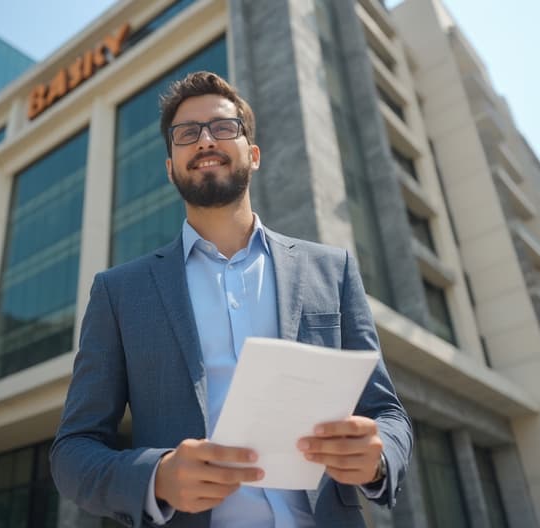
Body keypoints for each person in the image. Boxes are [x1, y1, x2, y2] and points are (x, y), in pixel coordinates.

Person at [51, 71, 412, 528]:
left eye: (223, 127)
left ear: (253, 154)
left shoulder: (331, 270)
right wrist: (156, 478)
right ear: (169, 166)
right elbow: (73, 451)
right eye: (186, 133)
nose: (205, 141)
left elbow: (386, 413)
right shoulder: (119, 292)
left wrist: (377, 456)